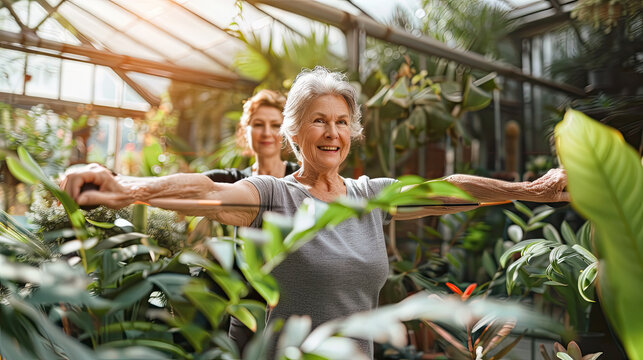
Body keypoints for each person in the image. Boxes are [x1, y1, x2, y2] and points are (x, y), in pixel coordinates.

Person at [61, 67, 568, 359]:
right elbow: (205, 191)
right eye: (319, 121)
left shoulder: (372, 195)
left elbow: (449, 190)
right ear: (295, 132)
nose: (333, 132)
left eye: (342, 122)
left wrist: (534, 189)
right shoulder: (275, 196)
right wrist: (125, 188)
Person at [202, 89, 298, 183]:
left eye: (275, 125)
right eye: (258, 124)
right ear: (245, 131)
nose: (267, 133)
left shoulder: (303, 179)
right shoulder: (231, 181)